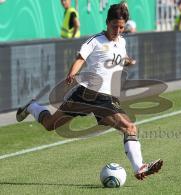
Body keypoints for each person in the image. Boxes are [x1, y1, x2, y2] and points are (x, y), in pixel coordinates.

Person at [16, 2, 163, 180]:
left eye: (121, 27)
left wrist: (128, 61)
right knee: (50, 125)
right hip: (88, 93)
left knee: (129, 128)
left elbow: (119, 57)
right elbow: (80, 58)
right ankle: (32, 106)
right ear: (107, 22)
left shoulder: (121, 41)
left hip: (106, 97)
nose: (117, 31)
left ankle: (140, 167)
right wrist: (72, 73)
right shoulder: (96, 40)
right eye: (114, 26)